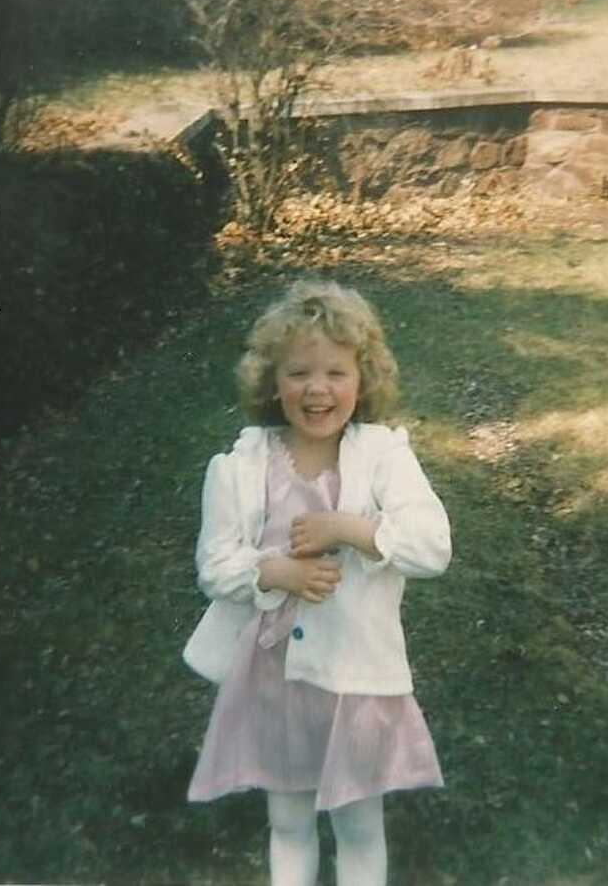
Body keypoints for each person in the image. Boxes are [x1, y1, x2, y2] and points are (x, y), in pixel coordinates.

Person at [183, 279, 451, 886]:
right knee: (289, 821)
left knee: (358, 825)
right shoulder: (243, 466)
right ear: (272, 384)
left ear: (363, 380)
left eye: (336, 372)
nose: (318, 389)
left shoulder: (383, 456)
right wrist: (274, 571)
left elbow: (432, 546)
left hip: (357, 678)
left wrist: (350, 528)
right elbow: (215, 563)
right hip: (275, 680)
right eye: (299, 373)